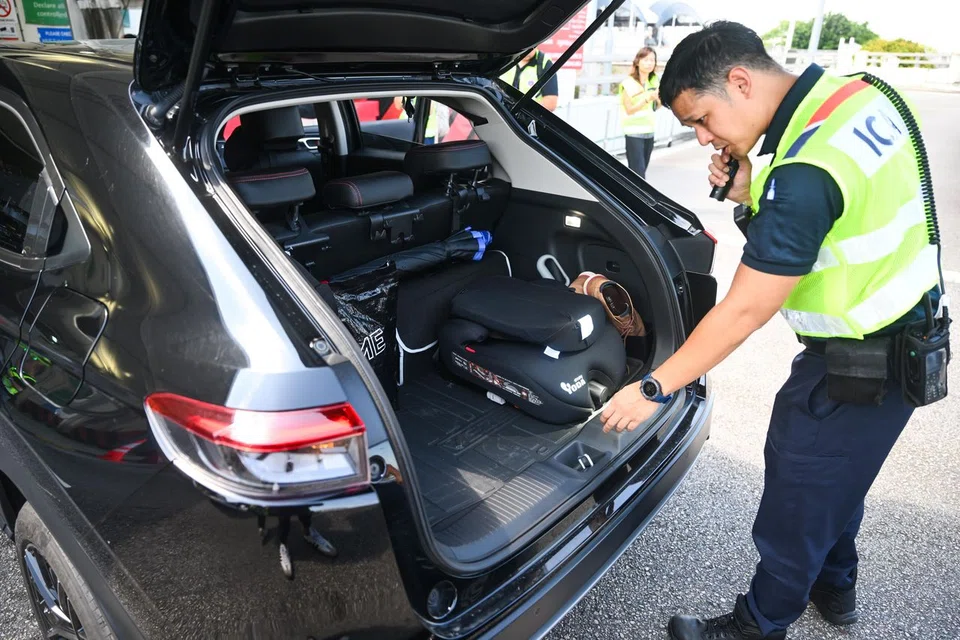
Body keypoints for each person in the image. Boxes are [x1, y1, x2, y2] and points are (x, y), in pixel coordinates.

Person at [597, 21, 946, 640]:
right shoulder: (857, 96)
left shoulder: (803, 172)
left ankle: (757, 626)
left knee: (799, 493)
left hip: (855, 363)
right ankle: (835, 588)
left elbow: (743, 310)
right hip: (905, 336)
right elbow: (838, 217)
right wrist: (749, 191)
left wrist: (654, 387)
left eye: (702, 118)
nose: (703, 136)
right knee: (841, 478)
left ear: (740, 81)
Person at [619, 47, 660, 178]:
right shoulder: (628, 83)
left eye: (652, 60)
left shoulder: (654, 81)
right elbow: (629, 109)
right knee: (638, 173)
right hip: (633, 132)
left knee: (640, 172)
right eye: (646, 60)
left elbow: (656, 107)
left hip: (649, 131)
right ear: (637, 62)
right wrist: (647, 98)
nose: (649, 63)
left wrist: (659, 99)